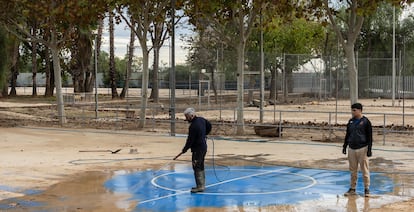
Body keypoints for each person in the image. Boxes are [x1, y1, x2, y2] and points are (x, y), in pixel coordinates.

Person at [174, 107, 212, 193]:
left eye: (187, 117)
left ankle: (200, 187)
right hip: (203, 147)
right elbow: (209, 126)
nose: (186, 119)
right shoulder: (202, 120)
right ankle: (202, 184)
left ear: (191, 115)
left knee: (196, 166)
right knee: (200, 165)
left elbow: (190, 140)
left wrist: (184, 150)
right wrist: (205, 134)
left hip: (197, 149)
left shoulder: (193, 126)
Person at [342, 103, 373, 197]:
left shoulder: (366, 122)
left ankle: (366, 189)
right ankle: (352, 189)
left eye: (354, 110)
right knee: (353, 170)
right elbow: (347, 134)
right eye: (352, 110)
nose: (353, 112)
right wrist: (344, 146)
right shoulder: (351, 122)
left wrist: (369, 149)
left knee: (364, 170)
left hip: (362, 148)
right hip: (351, 148)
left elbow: (370, 137)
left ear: (360, 110)